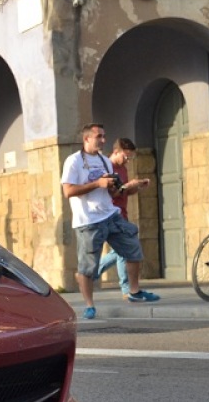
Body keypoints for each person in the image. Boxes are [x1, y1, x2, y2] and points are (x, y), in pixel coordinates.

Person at [61, 123, 160, 319]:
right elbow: (68, 191)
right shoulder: (73, 162)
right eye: (99, 136)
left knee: (133, 249)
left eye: (104, 136)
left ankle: (134, 292)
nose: (103, 140)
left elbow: (114, 191)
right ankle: (89, 305)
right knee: (88, 267)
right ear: (87, 138)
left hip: (111, 215)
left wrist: (131, 187)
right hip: (88, 220)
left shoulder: (105, 161)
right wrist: (97, 183)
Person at [95, 138, 151, 299]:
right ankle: (127, 289)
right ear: (116, 152)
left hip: (122, 213)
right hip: (111, 214)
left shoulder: (123, 169)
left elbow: (125, 192)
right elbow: (113, 192)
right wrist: (128, 185)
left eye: (130, 157)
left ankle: (92, 273)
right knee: (124, 251)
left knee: (120, 251)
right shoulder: (108, 168)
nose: (127, 160)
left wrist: (137, 186)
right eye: (126, 156)